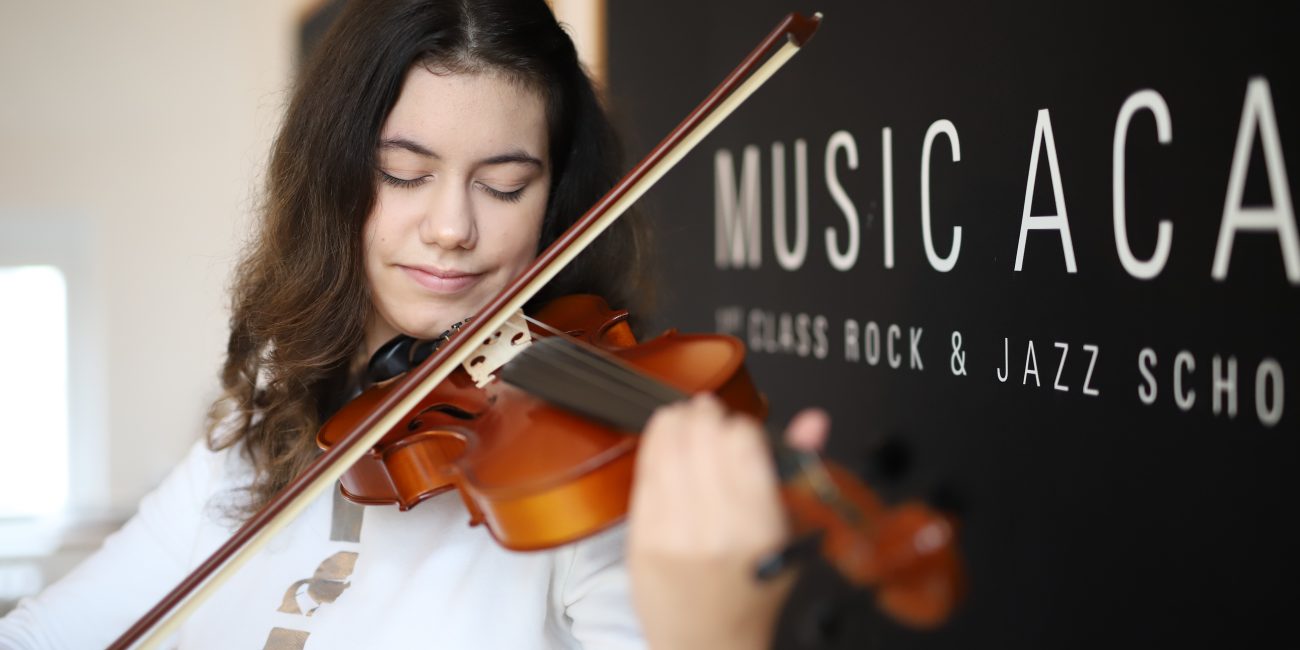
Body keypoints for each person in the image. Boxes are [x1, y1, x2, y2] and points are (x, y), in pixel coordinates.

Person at [0, 1, 828, 648]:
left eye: (504, 184)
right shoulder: (264, 425)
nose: (450, 227)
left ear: (555, 203)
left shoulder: (585, 484)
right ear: (335, 181)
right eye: (404, 173)